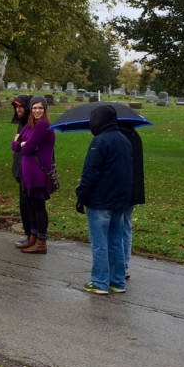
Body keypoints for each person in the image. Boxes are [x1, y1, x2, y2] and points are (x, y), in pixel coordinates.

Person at [76, 105, 133, 294]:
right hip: (119, 199)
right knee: (116, 241)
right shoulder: (125, 140)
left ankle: (100, 281)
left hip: (100, 200)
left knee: (100, 242)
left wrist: (81, 195)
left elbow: (90, 172)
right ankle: (117, 280)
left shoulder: (99, 142)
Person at [11, 96, 57, 254]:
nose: (37, 111)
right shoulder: (30, 125)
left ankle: (41, 242)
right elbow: (14, 144)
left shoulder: (43, 125)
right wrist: (19, 144)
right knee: (31, 206)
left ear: (45, 109)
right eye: (35, 108)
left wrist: (21, 144)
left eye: (40, 108)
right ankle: (32, 237)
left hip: (38, 173)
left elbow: (26, 149)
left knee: (38, 207)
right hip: (28, 174)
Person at [120, 122, 146, 281]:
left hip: (121, 188)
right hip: (133, 188)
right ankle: (124, 264)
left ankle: (120, 265)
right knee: (126, 226)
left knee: (118, 227)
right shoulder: (134, 135)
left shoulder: (120, 137)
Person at [9, 94, 33, 248]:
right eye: (16, 107)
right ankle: (29, 235)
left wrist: (17, 143)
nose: (18, 109)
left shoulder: (32, 126)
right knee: (24, 205)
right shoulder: (21, 124)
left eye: (21, 106)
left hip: (30, 172)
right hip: (21, 170)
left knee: (31, 205)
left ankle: (33, 236)